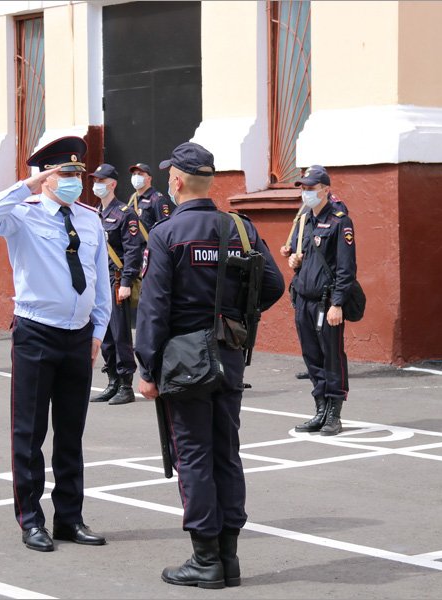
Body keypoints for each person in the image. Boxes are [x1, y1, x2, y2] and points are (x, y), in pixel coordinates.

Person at [135, 142, 284, 588]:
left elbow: (154, 310)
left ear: (176, 181)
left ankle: (205, 561)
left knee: (194, 457)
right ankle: (229, 558)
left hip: (184, 361)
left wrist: (146, 367)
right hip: (230, 354)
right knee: (226, 453)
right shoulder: (241, 228)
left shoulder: (166, 233)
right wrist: (237, 315)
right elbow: (273, 284)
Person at [0, 136, 111, 553]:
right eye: (64, 174)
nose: (73, 182)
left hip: (79, 336)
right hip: (36, 333)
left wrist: (98, 332)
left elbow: (100, 282)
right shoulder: (21, 215)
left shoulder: (89, 219)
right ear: (46, 177)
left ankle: (70, 518)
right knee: (29, 432)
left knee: (71, 433)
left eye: (76, 175)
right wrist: (25, 187)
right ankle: (31, 520)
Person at [286, 165, 357, 436]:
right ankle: (320, 409)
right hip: (303, 298)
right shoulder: (305, 220)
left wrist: (338, 303)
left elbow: (345, 268)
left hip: (327, 302)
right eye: (303, 188)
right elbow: (301, 256)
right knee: (312, 356)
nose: (306, 193)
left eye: (311, 189)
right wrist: (294, 261)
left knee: (332, 357)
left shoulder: (340, 221)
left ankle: (334, 414)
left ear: (326, 190)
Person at [88, 163, 145, 406]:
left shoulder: (125, 213)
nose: (96, 185)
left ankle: (125, 384)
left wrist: (126, 281)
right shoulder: (92, 213)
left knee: (120, 332)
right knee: (104, 333)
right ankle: (111, 380)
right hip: (97, 281)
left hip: (115, 279)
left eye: (101, 181)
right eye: (95, 181)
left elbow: (133, 250)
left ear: (112, 184)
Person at [127, 162, 174, 236]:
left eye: (140, 174)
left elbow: (164, 228)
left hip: (149, 244)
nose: (136, 177)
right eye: (134, 174)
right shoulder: (133, 198)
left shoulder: (157, 199)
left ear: (149, 178)